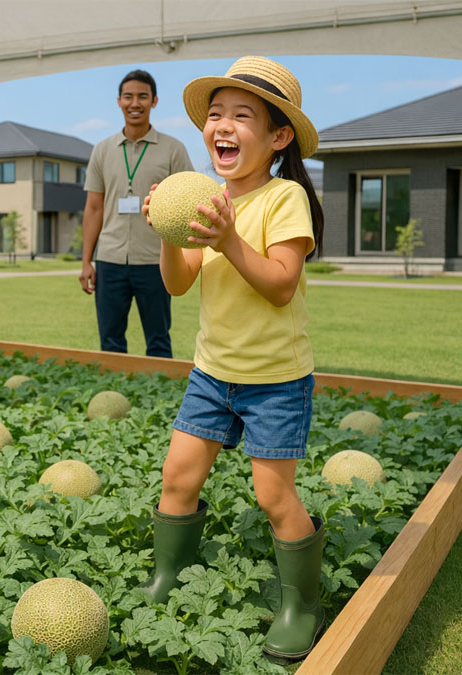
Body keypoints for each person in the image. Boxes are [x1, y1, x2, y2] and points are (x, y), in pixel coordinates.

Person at [136, 56, 327, 662]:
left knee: (274, 498)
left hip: (275, 381)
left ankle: (300, 605)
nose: (222, 124)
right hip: (211, 375)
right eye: (215, 114)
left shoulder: (284, 197)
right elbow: (177, 285)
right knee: (177, 477)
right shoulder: (207, 199)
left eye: (241, 115)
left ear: (277, 137)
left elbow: (278, 284)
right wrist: (169, 235)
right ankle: (168, 579)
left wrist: (226, 237)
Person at [79, 69, 193, 358]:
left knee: (158, 339)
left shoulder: (173, 149)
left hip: (155, 261)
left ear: (154, 101)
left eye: (142, 96)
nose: (135, 103)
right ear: (119, 101)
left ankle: (158, 397)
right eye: (128, 96)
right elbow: (93, 209)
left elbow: (187, 203)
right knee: (110, 340)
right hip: (109, 260)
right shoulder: (102, 150)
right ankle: (113, 393)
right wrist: (86, 261)